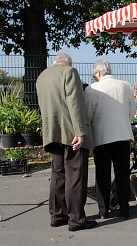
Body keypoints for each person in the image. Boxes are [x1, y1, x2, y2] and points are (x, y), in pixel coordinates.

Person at [36, 53, 97, 231]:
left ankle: (57, 215)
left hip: (51, 133)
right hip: (71, 132)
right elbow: (75, 102)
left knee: (58, 174)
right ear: (68, 63)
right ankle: (76, 219)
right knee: (75, 175)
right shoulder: (70, 72)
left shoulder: (42, 76)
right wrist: (80, 132)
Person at [84, 60, 137, 219]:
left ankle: (103, 209)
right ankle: (124, 208)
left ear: (98, 73)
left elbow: (88, 114)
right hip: (123, 135)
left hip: (101, 136)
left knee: (102, 174)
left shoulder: (92, 89)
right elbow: (132, 110)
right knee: (122, 174)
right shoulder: (125, 85)